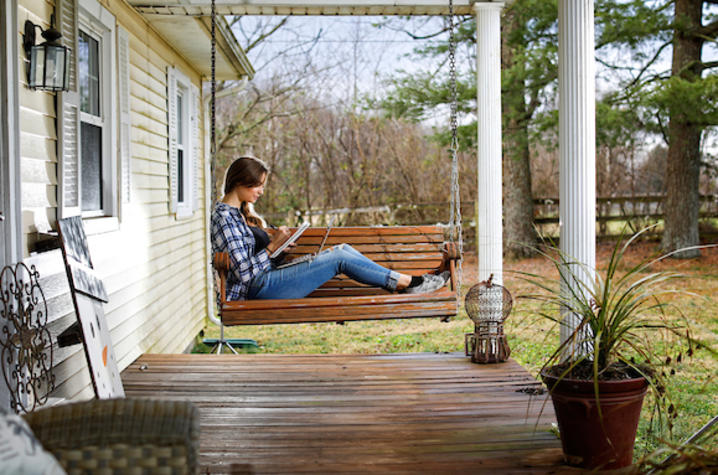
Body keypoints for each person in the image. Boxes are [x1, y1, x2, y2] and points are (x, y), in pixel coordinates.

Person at [211, 156, 450, 301]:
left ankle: (410, 282)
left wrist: (280, 249)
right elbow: (243, 274)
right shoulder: (225, 218)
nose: (261, 191)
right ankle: (409, 284)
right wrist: (272, 247)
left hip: (265, 281)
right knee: (339, 257)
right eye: (258, 185)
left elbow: (252, 260)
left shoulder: (238, 215)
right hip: (256, 289)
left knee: (342, 250)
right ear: (241, 182)